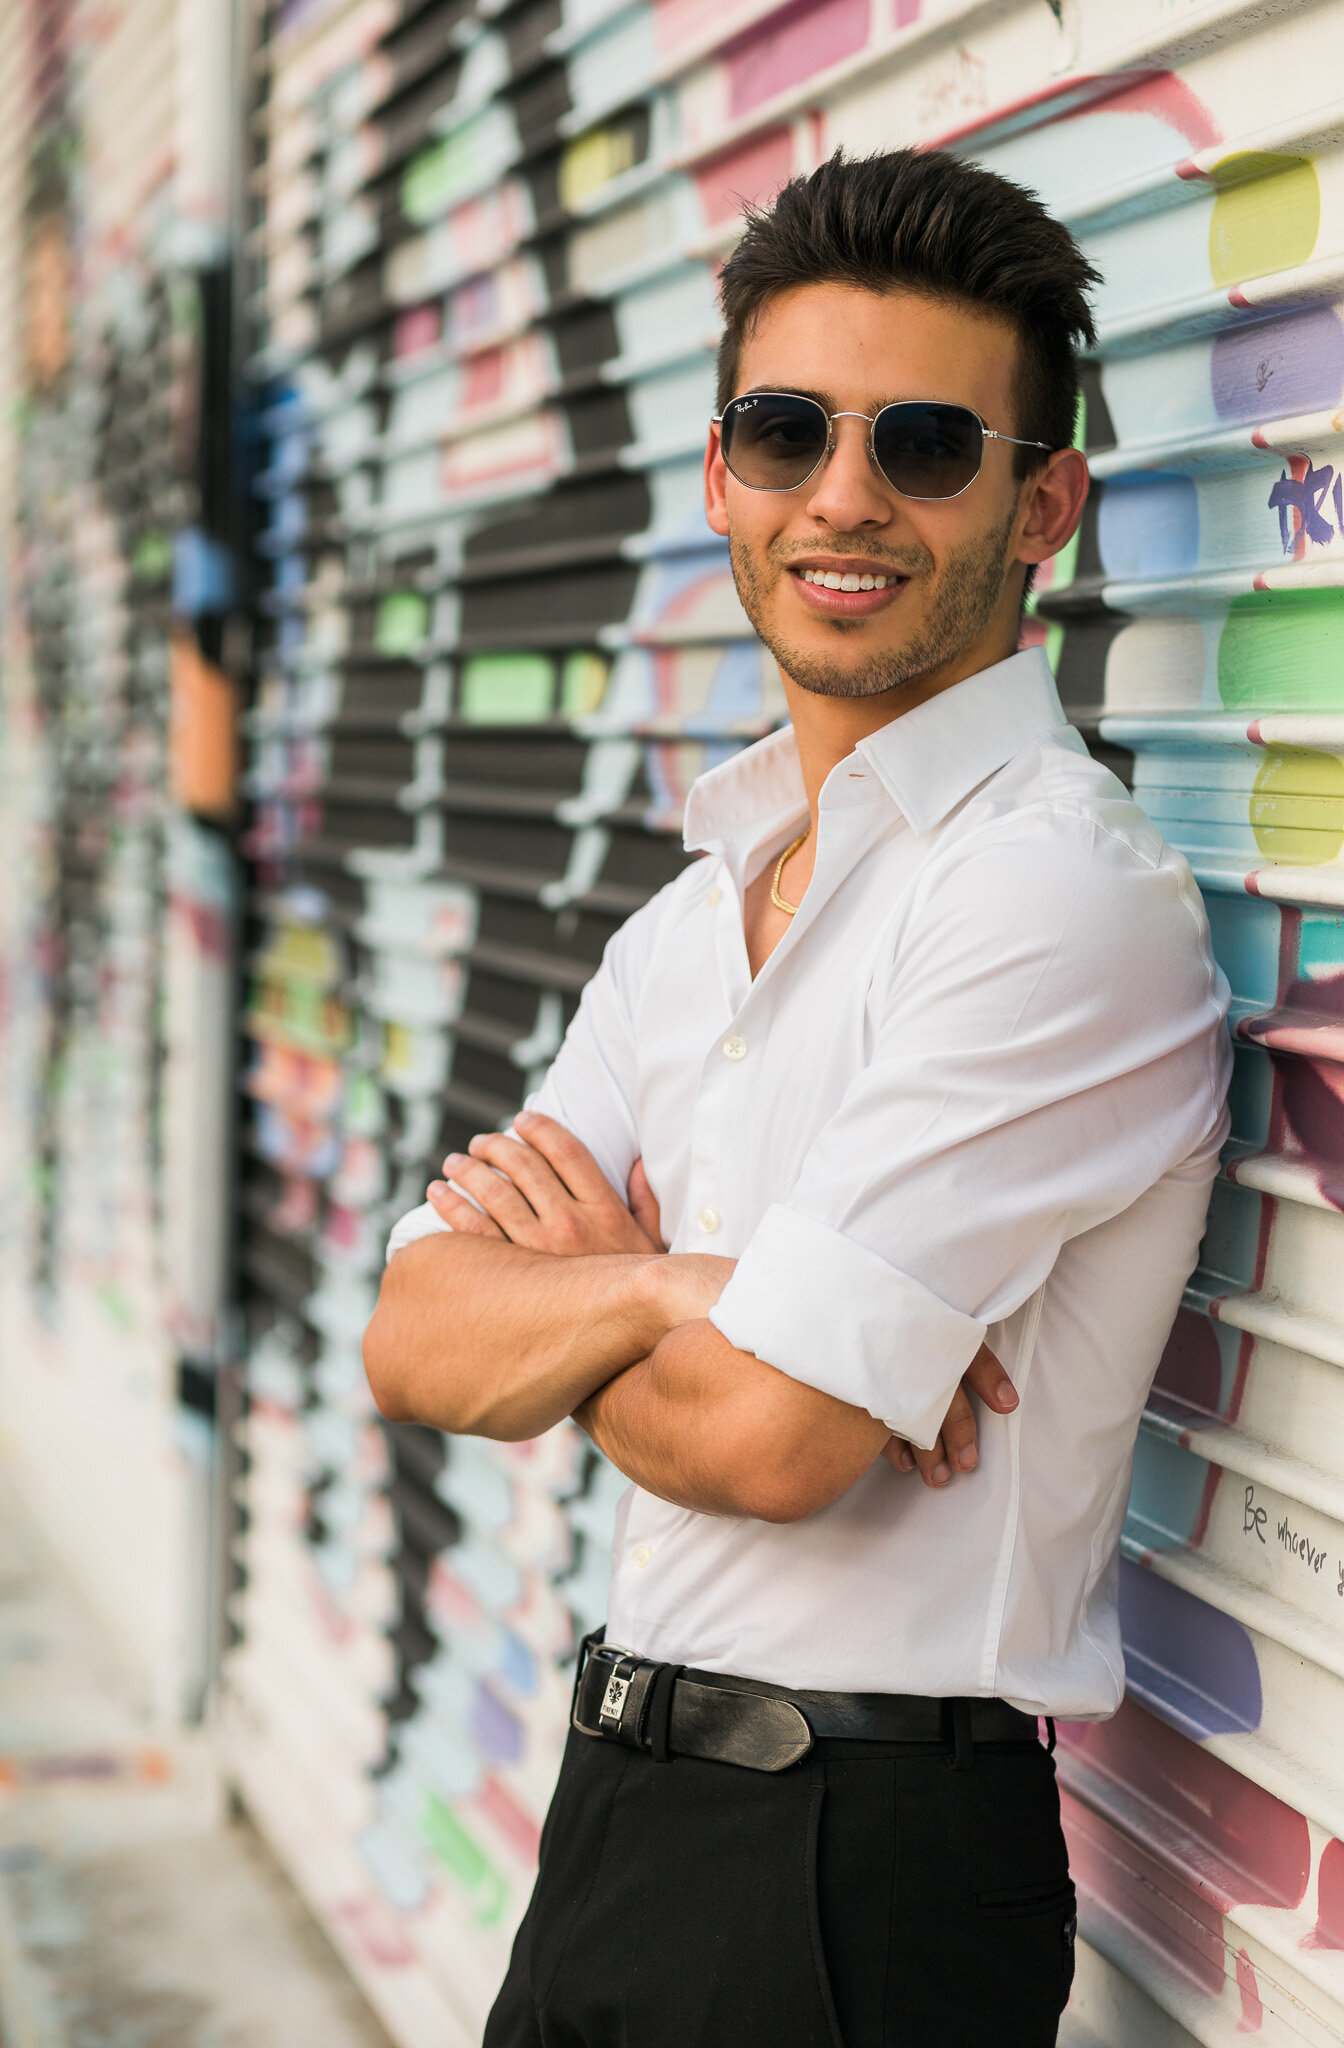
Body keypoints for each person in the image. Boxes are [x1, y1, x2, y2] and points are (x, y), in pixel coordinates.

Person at [363, 147, 1231, 2048]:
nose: (844, 497)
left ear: (1042, 507)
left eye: (926, 444)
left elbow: (770, 1444)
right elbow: (414, 1332)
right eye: (786, 431)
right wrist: (682, 1291)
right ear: (719, 475)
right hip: (616, 1818)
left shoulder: (1050, 897)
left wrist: (604, 1309)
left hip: (858, 1872)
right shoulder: (691, 921)